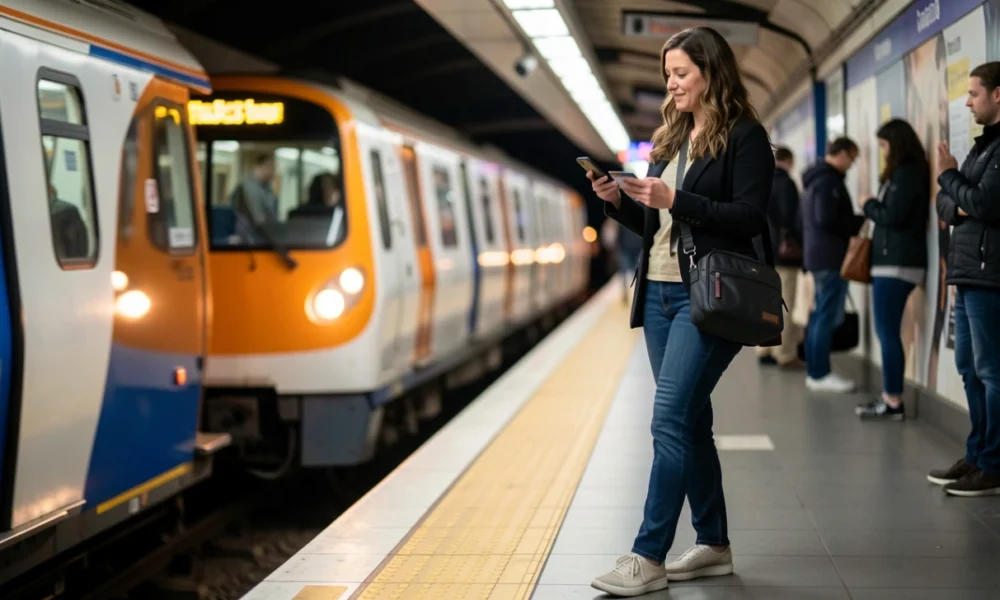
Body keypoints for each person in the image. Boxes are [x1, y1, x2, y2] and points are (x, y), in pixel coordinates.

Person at [585, 26, 775, 597]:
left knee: (668, 419)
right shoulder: (669, 137)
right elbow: (658, 227)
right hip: (662, 294)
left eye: (681, 73)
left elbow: (748, 216)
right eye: (668, 73)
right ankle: (714, 545)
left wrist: (677, 199)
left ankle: (649, 555)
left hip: (709, 298)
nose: (671, 83)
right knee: (691, 422)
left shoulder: (745, 136)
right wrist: (620, 204)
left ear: (711, 72)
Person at [928, 62, 1000, 497]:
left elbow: (986, 203)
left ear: (998, 95)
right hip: (969, 272)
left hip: (991, 275)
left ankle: (992, 464)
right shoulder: (982, 148)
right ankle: (976, 455)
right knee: (968, 367)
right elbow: (946, 206)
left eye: (974, 93)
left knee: (991, 371)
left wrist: (950, 176)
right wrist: (958, 196)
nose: (968, 101)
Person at [854, 119, 929, 420]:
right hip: (893, 262)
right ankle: (891, 395)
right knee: (888, 332)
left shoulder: (907, 175)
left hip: (896, 264)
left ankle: (893, 399)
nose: (883, 152)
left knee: (886, 332)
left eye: (885, 146)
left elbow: (893, 216)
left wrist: (869, 203)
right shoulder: (904, 174)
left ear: (896, 144)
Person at [801, 137, 864, 393]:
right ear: (841, 153)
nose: (852, 164)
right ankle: (820, 374)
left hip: (818, 256)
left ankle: (815, 372)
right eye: (852, 158)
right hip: (830, 257)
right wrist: (856, 222)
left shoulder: (813, 180)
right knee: (826, 315)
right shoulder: (828, 181)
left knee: (820, 314)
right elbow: (826, 219)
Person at [757, 146, 804, 368]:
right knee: (785, 304)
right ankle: (785, 354)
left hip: (763, 254)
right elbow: (790, 218)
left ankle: (764, 350)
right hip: (784, 256)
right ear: (790, 161)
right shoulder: (786, 183)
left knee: (767, 303)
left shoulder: (761, 182)